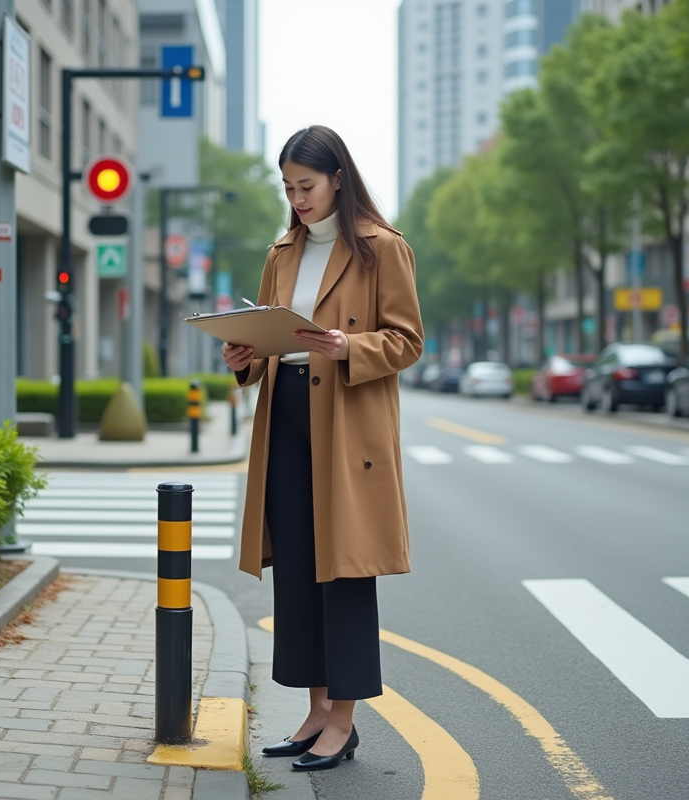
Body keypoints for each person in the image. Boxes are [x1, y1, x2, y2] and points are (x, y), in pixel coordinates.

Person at [222, 125, 424, 772]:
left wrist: (349, 348)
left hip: (346, 429)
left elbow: (409, 340)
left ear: (338, 177)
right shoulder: (284, 250)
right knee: (302, 575)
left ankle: (344, 722)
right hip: (285, 420)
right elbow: (270, 337)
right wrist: (244, 356)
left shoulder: (382, 248)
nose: (297, 198)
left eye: (305, 185)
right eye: (287, 187)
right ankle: (313, 713)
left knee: (345, 574)